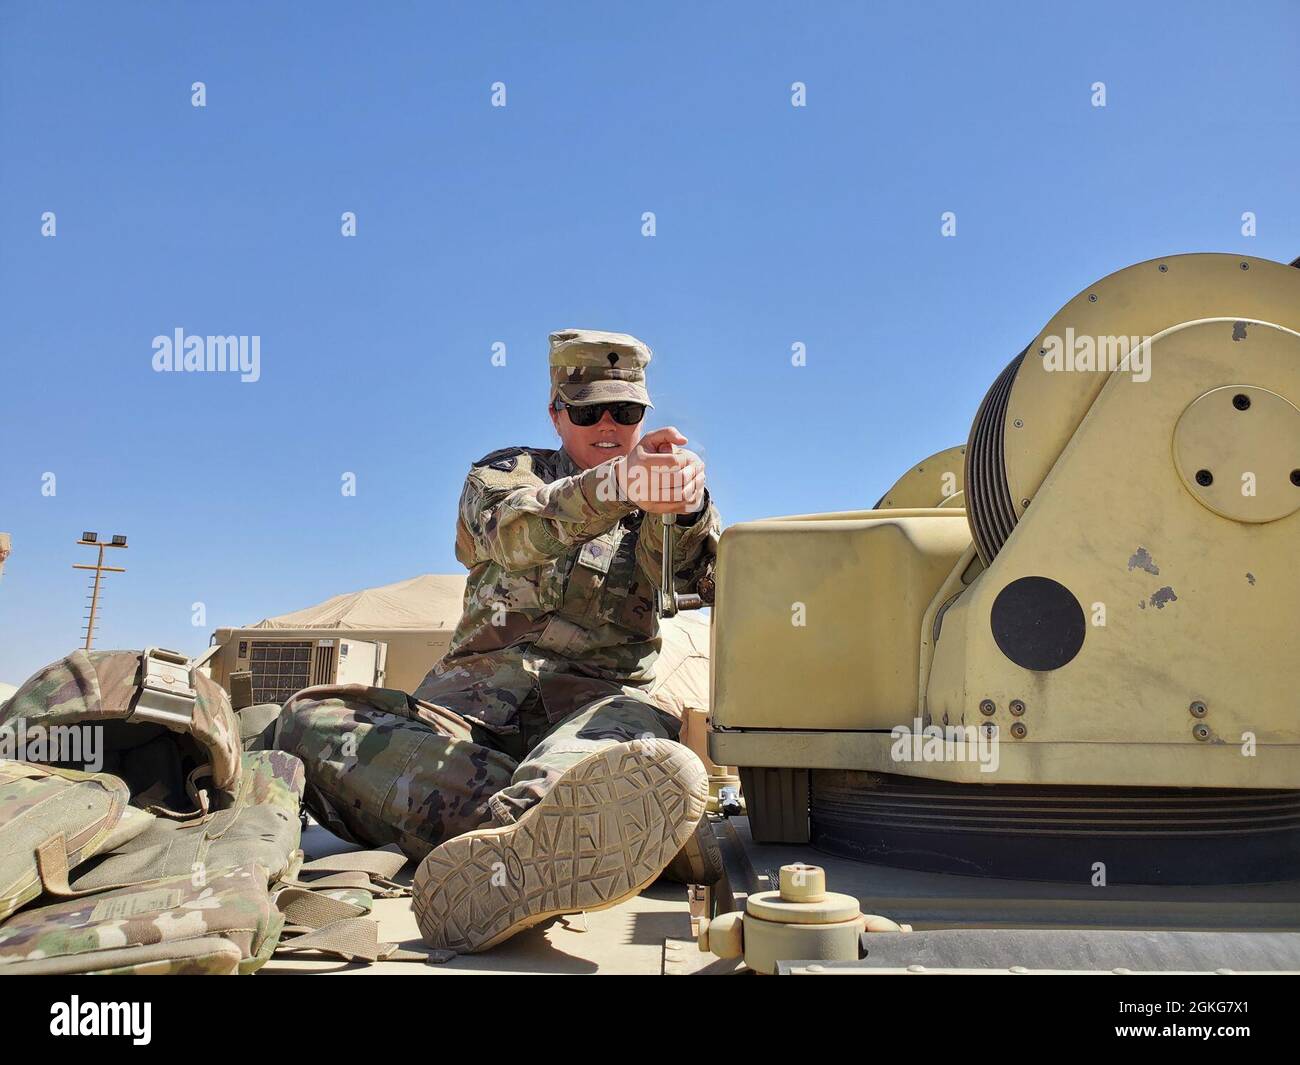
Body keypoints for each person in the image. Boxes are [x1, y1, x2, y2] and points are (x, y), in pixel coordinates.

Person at [279, 328, 722, 954]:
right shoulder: (506, 474)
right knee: (307, 719)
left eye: (624, 412)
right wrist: (618, 485)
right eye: (587, 409)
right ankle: (569, 834)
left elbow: (699, 579)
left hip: (596, 711)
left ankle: (535, 832)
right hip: (466, 721)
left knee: (636, 732)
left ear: (641, 416)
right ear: (555, 414)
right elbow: (510, 532)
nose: (606, 424)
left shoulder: (664, 501)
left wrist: (688, 506)